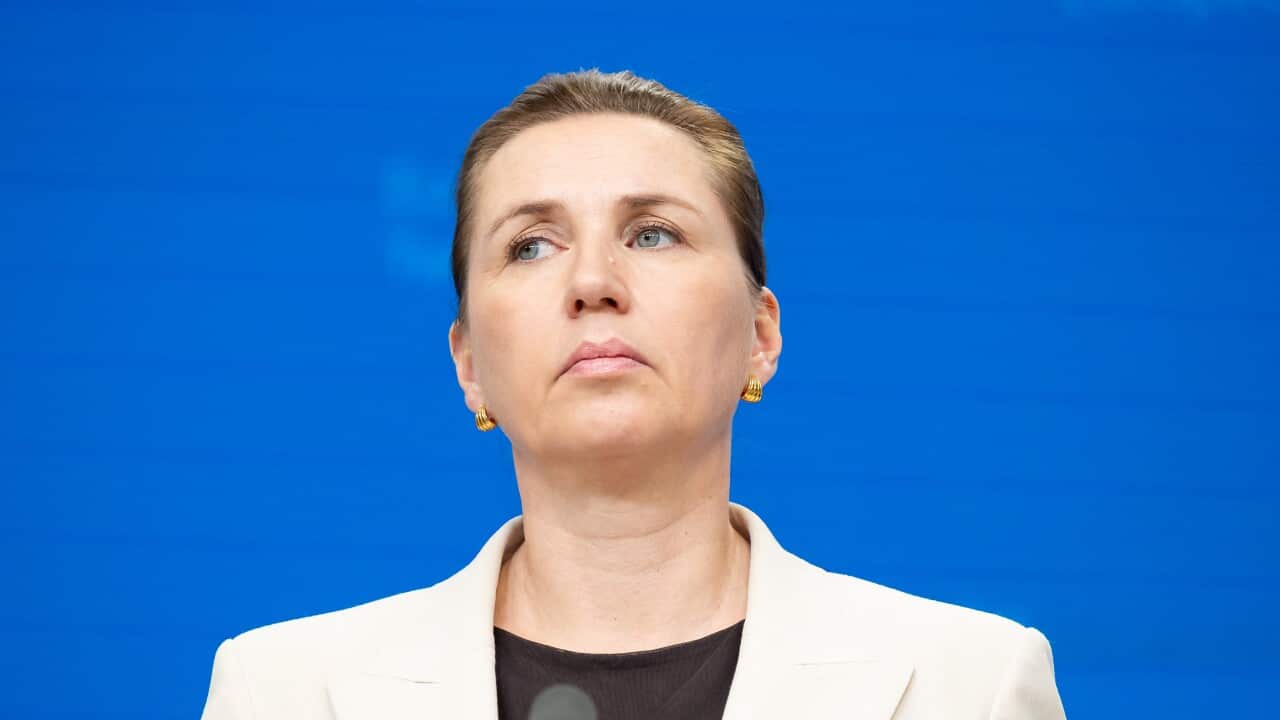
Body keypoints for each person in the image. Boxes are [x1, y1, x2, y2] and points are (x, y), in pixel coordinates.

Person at [199, 68, 1067, 720]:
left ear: (760, 335)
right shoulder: (284, 689)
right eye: (531, 246)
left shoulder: (970, 682)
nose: (592, 282)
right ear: (469, 364)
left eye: (653, 233)